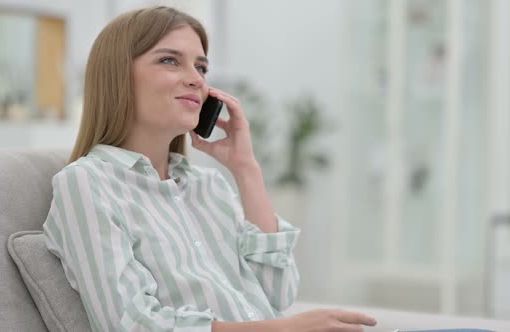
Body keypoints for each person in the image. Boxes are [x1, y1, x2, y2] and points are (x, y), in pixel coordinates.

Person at [43, 5, 377, 332]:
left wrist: (246, 169)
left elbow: (278, 292)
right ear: (117, 75)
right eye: (170, 60)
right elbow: (132, 324)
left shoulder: (209, 186)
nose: (195, 80)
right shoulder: (87, 183)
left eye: (201, 68)